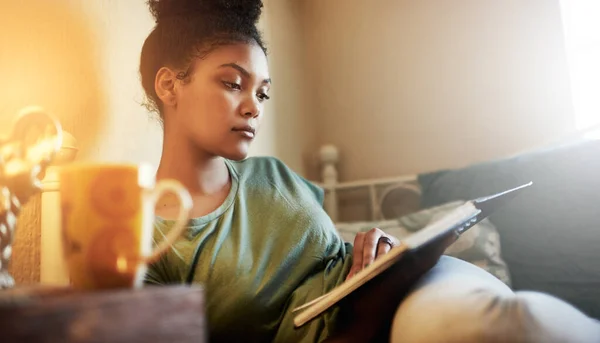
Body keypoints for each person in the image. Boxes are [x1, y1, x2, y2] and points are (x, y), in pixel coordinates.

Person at [139, 1, 600, 342]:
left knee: (521, 322)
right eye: (232, 83)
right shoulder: (146, 244)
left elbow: (330, 256)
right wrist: (365, 308)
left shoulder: (272, 176)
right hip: (370, 324)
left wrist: (377, 253)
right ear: (169, 85)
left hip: (417, 285)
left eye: (262, 93)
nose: (252, 107)